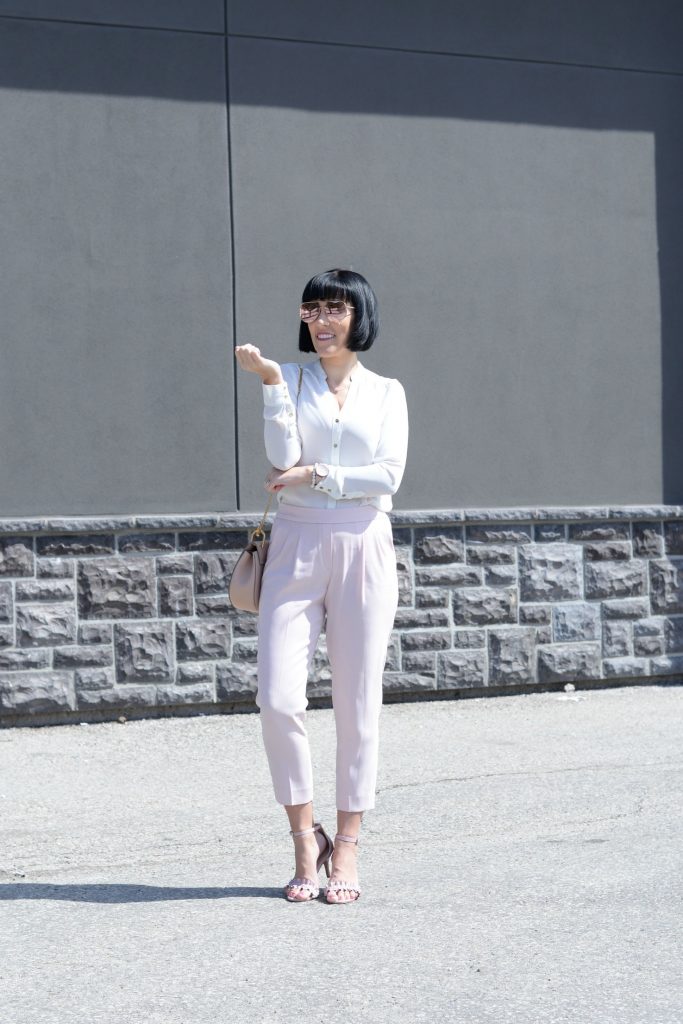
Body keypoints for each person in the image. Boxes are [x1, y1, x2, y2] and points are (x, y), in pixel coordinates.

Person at [234, 268, 409, 904]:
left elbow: (387, 476)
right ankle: (305, 839)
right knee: (279, 698)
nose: (322, 321)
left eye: (334, 309)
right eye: (312, 310)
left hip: (365, 544)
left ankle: (350, 845)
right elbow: (282, 463)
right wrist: (273, 386)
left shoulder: (388, 392)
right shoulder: (294, 377)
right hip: (297, 543)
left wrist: (322, 473)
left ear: (359, 315)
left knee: (358, 702)